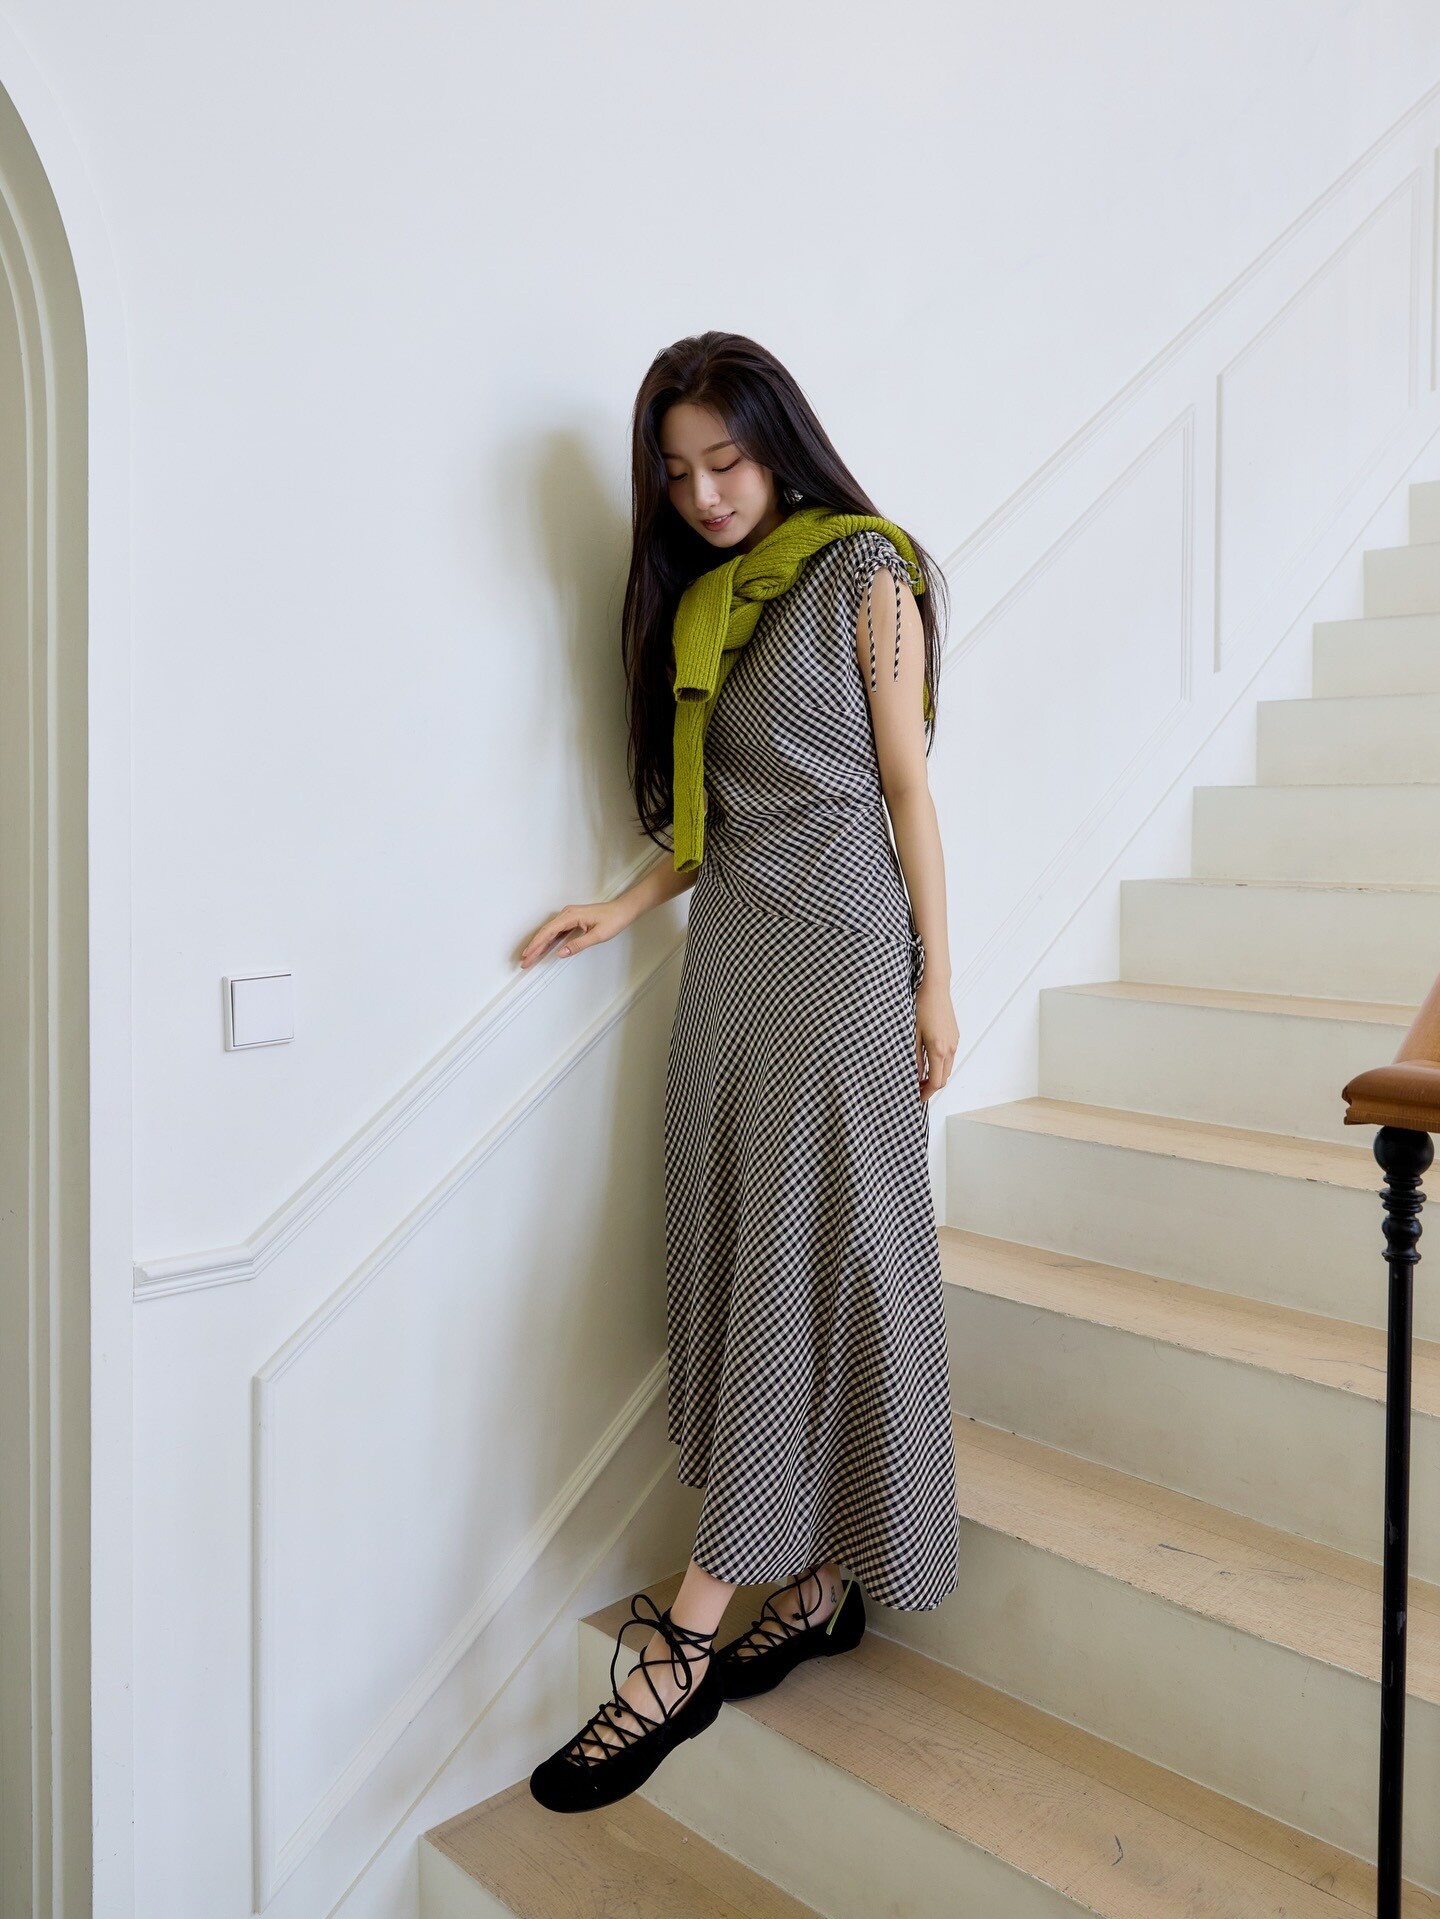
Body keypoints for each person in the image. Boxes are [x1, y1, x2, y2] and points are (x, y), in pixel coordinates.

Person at [518, 331, 961, 1814]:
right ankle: (819, 1582)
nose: (705, 495)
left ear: (781, 446)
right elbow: (720, 821)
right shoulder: (706, 605)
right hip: (730, 960)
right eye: (678, 472)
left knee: (801, 1256)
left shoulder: (865, 573)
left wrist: (936, 980)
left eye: (727, 460)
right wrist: (622, 905)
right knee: (744, 1247)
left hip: (840, 953)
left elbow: (906, 789)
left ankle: (688, 1635)